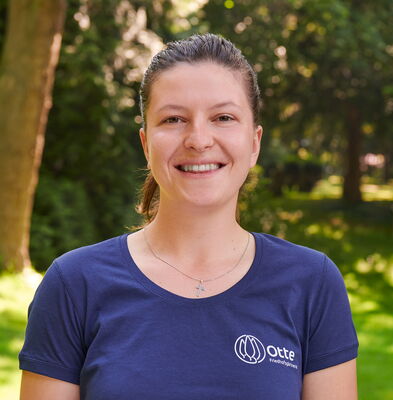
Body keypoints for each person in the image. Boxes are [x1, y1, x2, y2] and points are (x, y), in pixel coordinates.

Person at [19, 33, 358, 400]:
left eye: (223, 117)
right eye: (174, 119)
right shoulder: (73, 285)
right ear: (146, 144)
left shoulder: (312, 283)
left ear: (254, 142)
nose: (198, 139)